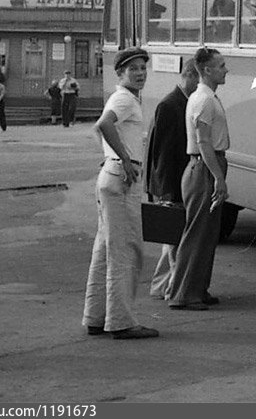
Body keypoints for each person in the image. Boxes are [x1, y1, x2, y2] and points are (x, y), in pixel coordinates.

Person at [81, 46, 159, 340]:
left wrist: (114, 158)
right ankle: (122, 322)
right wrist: (125, 159)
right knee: (125, 249)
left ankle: (96, 317)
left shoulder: (122, 97)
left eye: (142, 68)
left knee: (105, 249)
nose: (140, 74)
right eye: (133, 69)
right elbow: (102, 125)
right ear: (120, 73)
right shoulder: (125, 99)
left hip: (111, 175)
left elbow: (103, 128)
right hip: (122, 176)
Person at [167, 47, 230, 311]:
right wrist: (219, 178)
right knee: (197, 234)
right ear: (207, 70)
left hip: (205, 166)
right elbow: (203, 142)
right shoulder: (204, 100)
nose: (226, 69)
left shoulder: (204, 96)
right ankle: (184, 295)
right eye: (221, 65)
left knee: (206, 234)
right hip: (204, 167)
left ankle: (197, 290)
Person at [145, 59, 201, 300]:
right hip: (173, 184)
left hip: (175, 182)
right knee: (175, 241)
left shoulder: (182, 103)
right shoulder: (171, 105)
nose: (200, 84)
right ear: (188, 75)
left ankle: (160, 287)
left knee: (172, 241)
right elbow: (163, 153)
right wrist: (166, 192)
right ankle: (171, 289)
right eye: (198, 78)